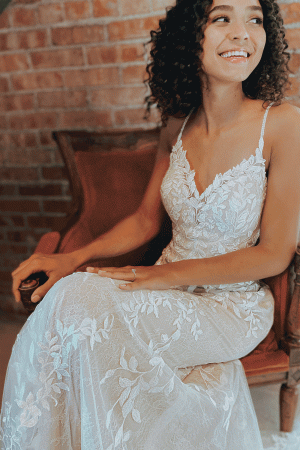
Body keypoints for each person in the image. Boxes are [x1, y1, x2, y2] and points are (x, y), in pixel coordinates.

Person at [1, 0, 300, 448]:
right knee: (69, 296)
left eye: (254, 19)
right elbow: (144, 220)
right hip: (163, 283)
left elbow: (274, 253)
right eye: (222, 18)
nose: (242, 33)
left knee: (85, 321)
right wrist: (71, 257)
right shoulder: (176, 127)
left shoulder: (282, 124)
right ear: (189, 36)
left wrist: (154, 275)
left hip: (229, 303)